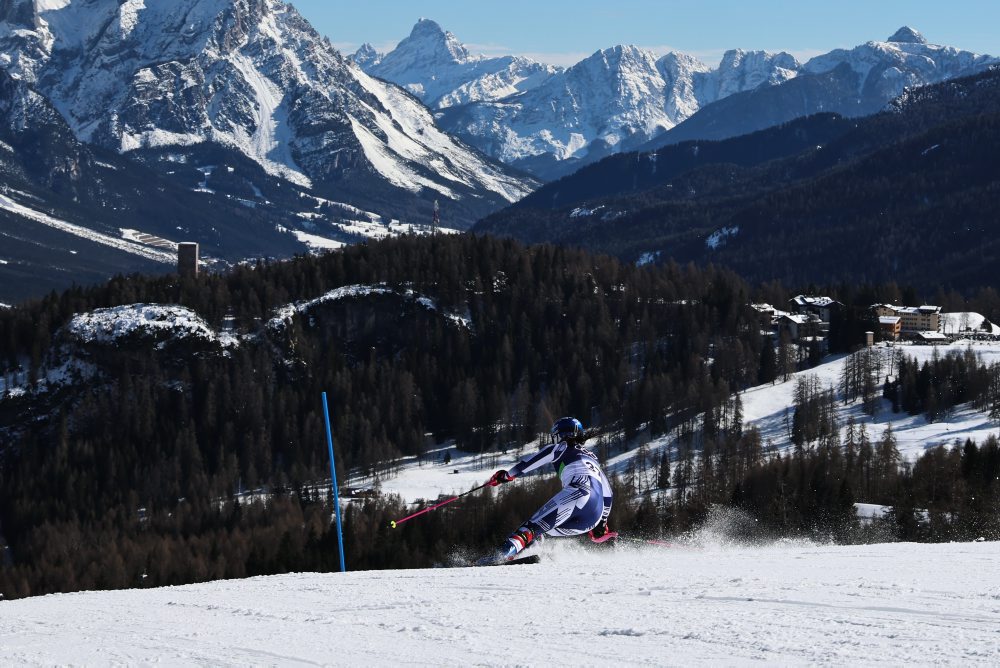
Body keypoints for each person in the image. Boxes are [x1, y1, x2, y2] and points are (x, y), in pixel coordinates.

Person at [479, 416, 616, 564]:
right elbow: (608, 495)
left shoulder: (560, 447)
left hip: (579, 492)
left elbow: (527, 464)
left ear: (560, 435)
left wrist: (505, 476)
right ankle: (530, 554)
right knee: (543, 529)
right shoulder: (592, 458)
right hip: (593, 516)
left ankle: (499, 557)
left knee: (531, 527)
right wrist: (601, 525)